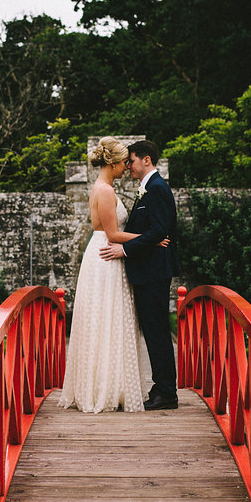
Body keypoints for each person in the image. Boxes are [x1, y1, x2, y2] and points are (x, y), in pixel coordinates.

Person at [59, 137, 153, 413]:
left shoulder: (100, 187)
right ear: (112, 164)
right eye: (124, 162)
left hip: (102, 253)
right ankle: (106, 388)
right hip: (107, 255)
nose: (127, 167)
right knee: (108, 317)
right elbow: (113, 234)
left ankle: (106, 384)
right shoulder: (106, 191)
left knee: (104, 319)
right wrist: (150, 237)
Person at [99, 139, 180, 410]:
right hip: (148, 271)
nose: (129, 166)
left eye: (131, 161)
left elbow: (159, 231)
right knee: (153, 330)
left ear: (146, 160)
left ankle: (167, 392)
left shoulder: (157, 188)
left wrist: (124, 250)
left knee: (157, 331)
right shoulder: (148, 189)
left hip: (154, 272)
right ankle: (161, 387)